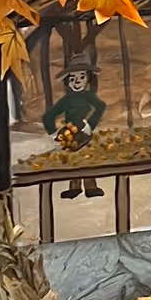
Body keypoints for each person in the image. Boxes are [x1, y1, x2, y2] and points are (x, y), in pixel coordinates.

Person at [44, 56, 106, 197]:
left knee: (87, 158)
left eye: (81, 76)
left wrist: (89, 125)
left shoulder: (88, 96)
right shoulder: (67, 100)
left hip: (86, 134)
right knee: (73, 160)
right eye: (72, 78)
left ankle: (91, 187)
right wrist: (53, 133)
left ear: (88, 79)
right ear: (67, 81)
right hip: (70, 134)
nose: (76, 81)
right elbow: (49, 115)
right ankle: (74, 187)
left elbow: (101, 106)